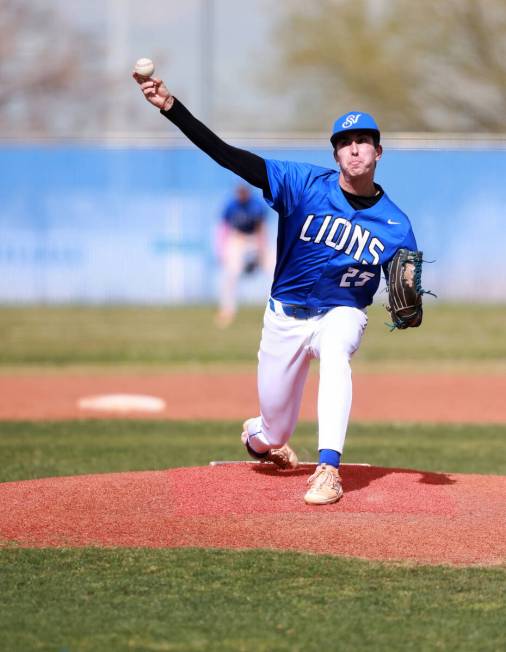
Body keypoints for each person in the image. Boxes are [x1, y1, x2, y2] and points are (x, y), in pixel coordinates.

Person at [133, 71, 420, 505]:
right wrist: (172, 108)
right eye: (345, 141)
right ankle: (260, 437)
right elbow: (227, 156)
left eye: (363, 140)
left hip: (340, 313)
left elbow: (406, 293)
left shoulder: (397, 226)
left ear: (378, 152)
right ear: (336, 153)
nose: (354, 147)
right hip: (284, 319)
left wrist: (412, 305)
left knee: (338, 348)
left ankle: (328, 469)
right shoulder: (301, 184)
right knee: (273, 431)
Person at [215, 183, 272, 328]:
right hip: (237, 239)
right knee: (229, 274)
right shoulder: (231, 205)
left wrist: (262, 250)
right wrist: (222, 250)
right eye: (239, 192)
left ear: (248, 193)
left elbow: (261, 229)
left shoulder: (256, 205)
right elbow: (224, 228)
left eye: (243, 192)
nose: (241, 195)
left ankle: (275, 310)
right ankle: (227, 310)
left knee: (273, 270)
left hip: (253, 239)